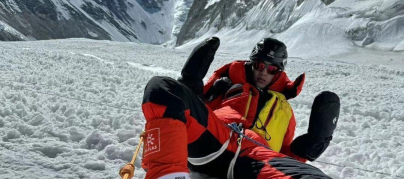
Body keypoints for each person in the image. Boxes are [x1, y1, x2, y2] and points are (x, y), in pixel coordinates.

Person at [139, 37, 340, 179]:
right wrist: (190, 84)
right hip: (217, 139)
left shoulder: (284, 110)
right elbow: (191, 110)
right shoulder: (228, 85)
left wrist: (312, 145)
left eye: (271, 69)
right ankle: (168, 176)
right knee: (161, 86)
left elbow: (285, 154)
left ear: (278, 73)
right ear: (251, 64)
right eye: (259, 65)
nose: (263, 72)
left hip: (256, 156)